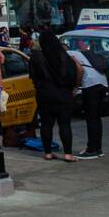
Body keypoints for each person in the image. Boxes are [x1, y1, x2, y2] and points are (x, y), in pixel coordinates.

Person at [29, 29, 81, 162]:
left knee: (46, 124)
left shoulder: (36, 57)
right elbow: (72, 73)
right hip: (63, 93)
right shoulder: (63, 56)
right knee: (64, 124)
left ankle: (48, 152)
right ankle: (68, 154)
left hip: (44, 94)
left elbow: (33, 77)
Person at [67, 39, 109, 159]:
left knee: (91, 118)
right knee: (96, 118)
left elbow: (79, 70)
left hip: (90, 85)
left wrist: (75, 86)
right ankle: (97, 148)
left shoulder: (70, 54)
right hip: (102, 84)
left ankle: (91, 150)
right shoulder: (86, 54)